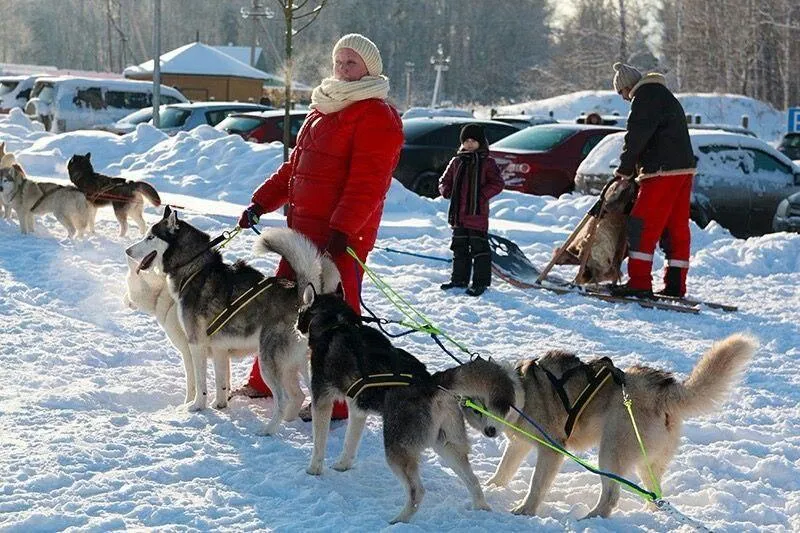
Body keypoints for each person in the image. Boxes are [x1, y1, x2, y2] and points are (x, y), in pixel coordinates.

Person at [236, 33, 404, 420]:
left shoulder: (376, 114)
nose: (343, 69)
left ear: (369, 70)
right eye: (339, 61)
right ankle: (268, 380)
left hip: (340, 237)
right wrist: (261, 201)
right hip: (300, 234)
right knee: (282, 308)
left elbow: (368, 182)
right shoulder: (322, 108)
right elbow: (295, 169)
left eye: (352, 64)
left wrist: (343, 229)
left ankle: (340, 400)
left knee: (335, 315)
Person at [608, 62, 696, 298]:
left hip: (660, 171)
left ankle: (639, 282)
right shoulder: (664, 96)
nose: (624, 99)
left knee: (641, 224)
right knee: (675, 226)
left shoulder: (644, 97)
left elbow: (636, 137)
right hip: (683, 170)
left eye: (622, 93)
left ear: (627, 87)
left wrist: (625, 170)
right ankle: (676, 284)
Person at [438, 123, 505, 297]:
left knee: (479, 249)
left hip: (477, 214)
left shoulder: (487, 162)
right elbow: (444, 181)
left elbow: (498, 183)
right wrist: (446, 190)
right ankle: (459, 279)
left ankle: (480, 282)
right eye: (466, 141)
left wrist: (481, 195)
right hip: (458, 215)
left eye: (473, 141)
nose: (469, 144)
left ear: (481, 143)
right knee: (459, 247)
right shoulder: (457, 161)